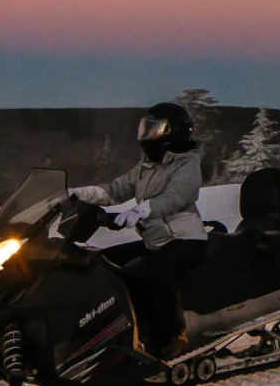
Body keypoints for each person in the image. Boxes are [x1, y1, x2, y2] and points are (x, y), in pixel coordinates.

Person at [73, 102, 210, 356]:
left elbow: (175, 197)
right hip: (157, 241)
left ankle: (172, 338)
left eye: (154, 130)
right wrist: (79, 194)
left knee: (149, 272)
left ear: (174, 132)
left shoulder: (188, 164)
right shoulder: (146, 166)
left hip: (186, 240)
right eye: (146, 129)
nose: (148, 136)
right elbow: (116, 190)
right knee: (104, 263)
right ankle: (119, 329)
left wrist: (141, 211)